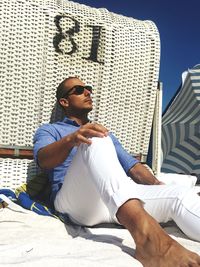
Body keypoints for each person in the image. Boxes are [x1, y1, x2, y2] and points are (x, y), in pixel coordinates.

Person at [33, 76, 200, 267]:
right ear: (64, 101)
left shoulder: (106, 134)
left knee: (179, 196)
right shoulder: (50, 130)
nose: (88, 92)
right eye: (79, 90)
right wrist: (72, 139)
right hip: (79, 202)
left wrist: (157, 186)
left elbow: (132, 166)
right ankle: (148, 240)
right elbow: (43, 161)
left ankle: (140, 214)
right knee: (94, 137)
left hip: (119, 195)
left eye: (88, 88)